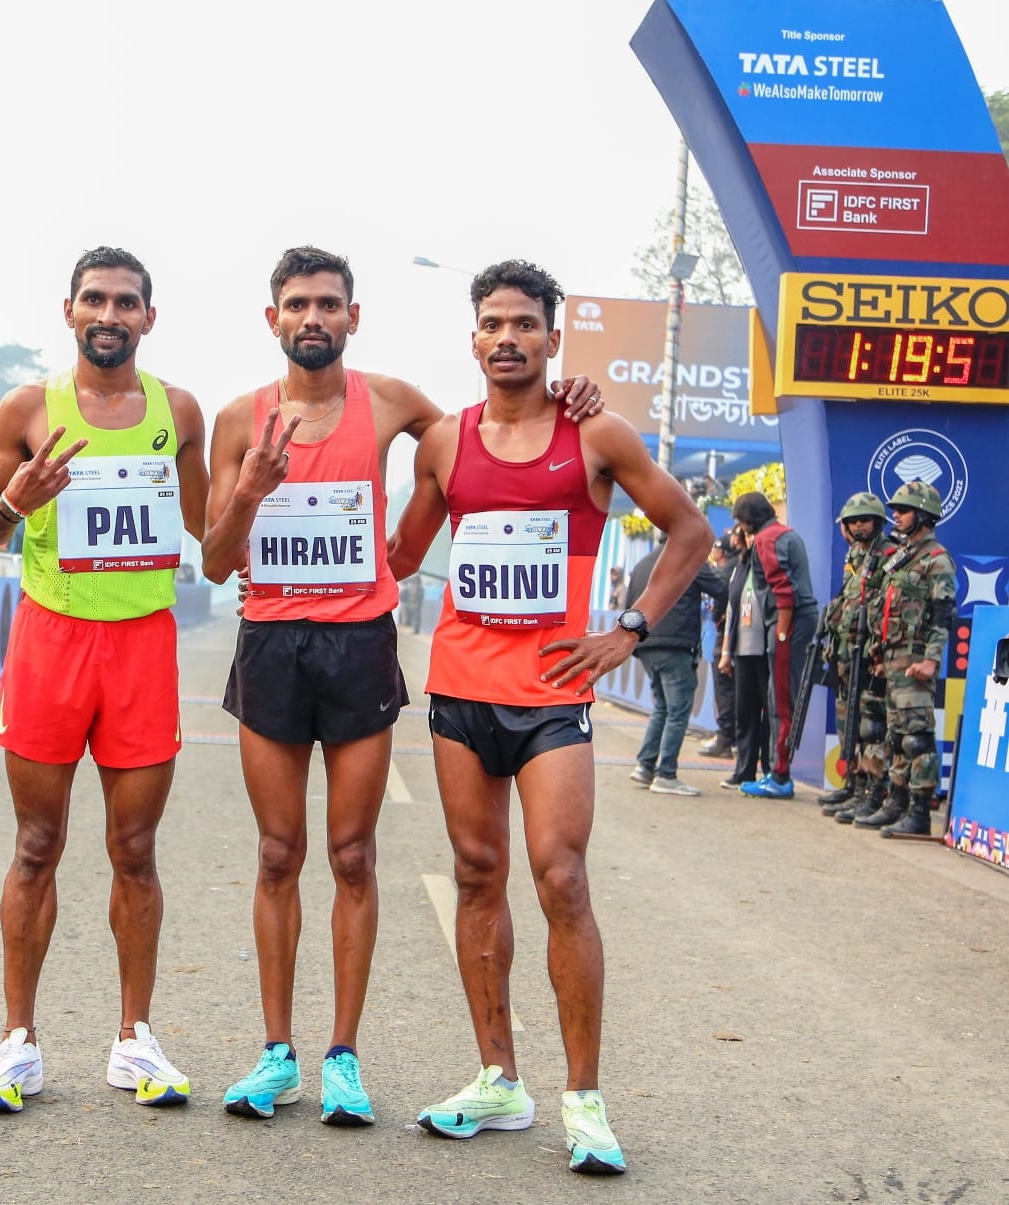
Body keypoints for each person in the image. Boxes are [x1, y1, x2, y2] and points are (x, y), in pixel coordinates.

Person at [201, 246, 604, 1127]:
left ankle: (344, 1057)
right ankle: (277, 1054)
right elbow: (214, 555)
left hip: (358, 646)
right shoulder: (239, 420)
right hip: (270, 643)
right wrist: (250, 495)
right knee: (278, 853)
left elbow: (484, 437)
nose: (314, 317)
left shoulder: (391, 403)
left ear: (353, 316)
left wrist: (573, 400)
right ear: (272, 318)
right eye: (297, 304)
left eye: (329, 304)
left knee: (352, 854)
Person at [388, 259, 712, 1175]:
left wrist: (630, 630)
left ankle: (584, 1098)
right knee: (476, 873)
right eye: (492, 323)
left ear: (551, 338)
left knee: (560, 876)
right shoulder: (446, 445)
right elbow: (403, 553)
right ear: (474, 337)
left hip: (554, 693)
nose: (507, 338)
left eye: (525, 324)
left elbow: (689, 531)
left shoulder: (595, 434)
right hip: (461, 690)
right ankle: (499, 1079)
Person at [0, 246, 210, 1114]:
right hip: (51, 641)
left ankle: (134, 1038)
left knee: (134, 850)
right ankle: (17, 1044)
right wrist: (14, 504)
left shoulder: (178, 412)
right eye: (95, 299)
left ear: (150, 316)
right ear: (69, 309)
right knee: (37, 844)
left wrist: (256, 494)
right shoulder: (28, 407)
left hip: (141, 645)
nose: (111, 313)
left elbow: (209, 533)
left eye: (127, 301)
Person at [850, 481, 956, 836]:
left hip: (916, 659)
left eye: (903, 509)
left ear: (923, 514)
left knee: (917, 738)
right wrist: (879, 655)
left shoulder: (936, 559)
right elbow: (886, 608)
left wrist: (932, 661)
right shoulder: (902, 556)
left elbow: (943, 616)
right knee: (895, 736)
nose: (895, 514)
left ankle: (920, 812)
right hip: (893, 659)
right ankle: (895, 804)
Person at [732, 492, 819, 800]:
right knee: (781, 698)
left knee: (781, 700)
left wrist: (781, 633)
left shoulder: (766, 540)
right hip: (797, 620)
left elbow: (783, 590)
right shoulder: (787, 534)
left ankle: (780, 776)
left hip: (787, 623)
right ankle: (777, 772)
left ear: (746, 521)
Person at [625, 535, 726, 796]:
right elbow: (721, 588)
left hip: (646, 645)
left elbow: (629, 606)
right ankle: (666, 773)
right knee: (678, 711)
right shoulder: (687, 556)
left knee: (662, 707)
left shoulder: (642, 564)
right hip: (675, 645)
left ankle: (646, 765)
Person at [817, 493, 896, 818]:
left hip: (869, 654)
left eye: (865, 520)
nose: (858, 526)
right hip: (845, 653)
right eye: (853, 521)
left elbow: (887, 607)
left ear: (878, 522)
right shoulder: (855, 555)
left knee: (870, 726)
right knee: (846, 721)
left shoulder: (888, 555)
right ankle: (853, 783)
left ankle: (872, 791)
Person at [717, 523, 770, 789]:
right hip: (742, 650)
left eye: (753, 534)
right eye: (746, 535)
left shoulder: (770, 565)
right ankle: (744, 770)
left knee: (770, 714)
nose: (750, 539)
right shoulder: (739, 568)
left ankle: (771, 771)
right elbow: (731, 611)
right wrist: (726, 652)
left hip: (767, 650)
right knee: (745, 712)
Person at [697, 534, 736, 760]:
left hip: (724, 637)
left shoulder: (724, 572)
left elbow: (720, 598)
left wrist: (716, 615)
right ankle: (729, 738)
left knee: (724, 688)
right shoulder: (737, 566)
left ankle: (725, 739)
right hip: (729, 635)